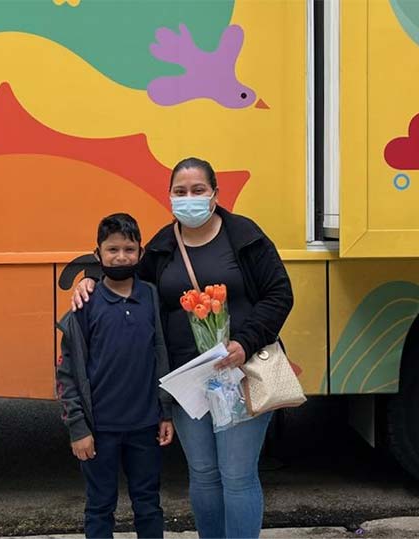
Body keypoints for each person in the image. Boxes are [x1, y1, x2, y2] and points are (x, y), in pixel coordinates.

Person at [71, 157, 294, 539]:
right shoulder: (160, 247)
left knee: (237, 475)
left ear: (215, 194)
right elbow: (126, 283)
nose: (188, 198)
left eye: (197, 190)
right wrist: (88, 282)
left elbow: (279, 294)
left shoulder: (244, 236)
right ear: (170, 196)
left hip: (242, 373)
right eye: (180, 192)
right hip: (188, 382)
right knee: (204, 474)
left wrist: (245, 341)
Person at [56, 213, 175, 539]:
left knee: (149, 505)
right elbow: (66, 373)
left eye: (129, 249)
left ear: (139, 253)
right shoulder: (85, 304)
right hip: (100, 431)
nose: (121, 257)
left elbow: (161, 354)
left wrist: (165, 412)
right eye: (112, 250)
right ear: (98, 255)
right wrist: (78, 428)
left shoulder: (151, 296)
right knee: (99, 507)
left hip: (145, 427)